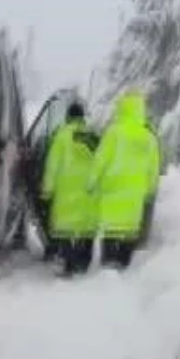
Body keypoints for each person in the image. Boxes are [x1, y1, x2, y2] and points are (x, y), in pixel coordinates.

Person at [87, 91, 161, 269]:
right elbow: (153, 169)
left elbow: (100, 160)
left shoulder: (114, 133)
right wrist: (150, 191)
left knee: (111, 238)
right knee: (127, 239)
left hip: (113, 198)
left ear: (122, 109)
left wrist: (91, 183)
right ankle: (123, 271)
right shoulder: (149, 138)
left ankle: (108, 274)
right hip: (134, 201)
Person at [40, 102, 99, 275]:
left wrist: (47, 190)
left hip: (66, 194)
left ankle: (69, 264)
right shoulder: (94, 136)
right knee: (86, 229)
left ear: (68, 116)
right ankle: (84, 262)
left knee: (65, 230)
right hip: (89, 193)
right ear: (82, 117)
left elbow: (53, 165)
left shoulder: (62, 136)